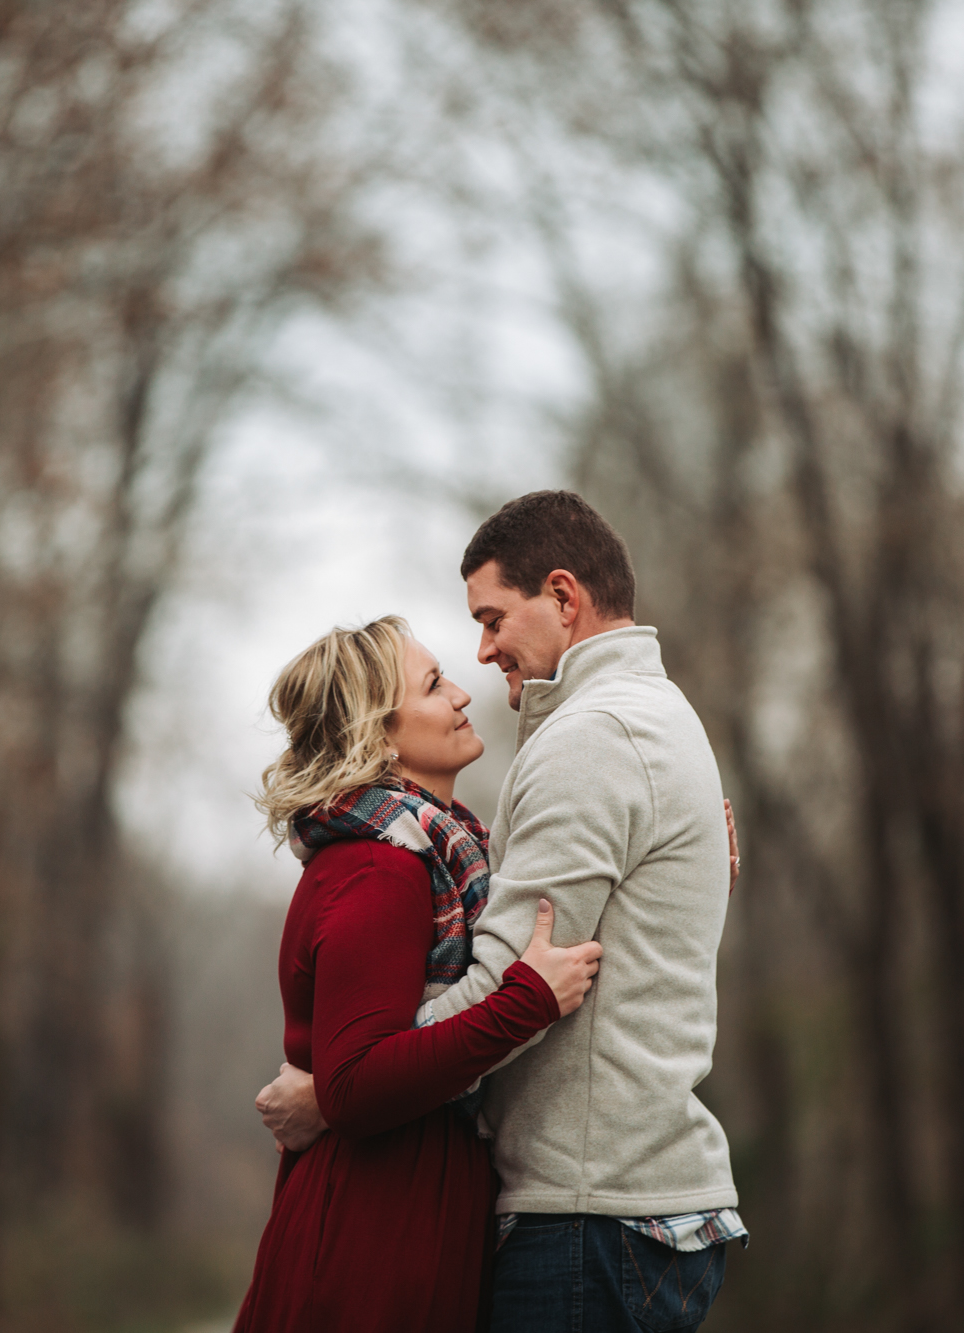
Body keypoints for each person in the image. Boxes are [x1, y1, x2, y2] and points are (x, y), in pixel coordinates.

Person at [257, 491, 745, 1332]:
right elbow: (532, 970)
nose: (480, 658)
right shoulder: (647, 720)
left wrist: (333, 1097)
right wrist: (351, 1085)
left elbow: (505, 974)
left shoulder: (593, 740)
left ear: (562, 598)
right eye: (442, 670)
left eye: (490, 620)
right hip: (591, 1204)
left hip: (592, 1206)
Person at [231, 615, 605, 1333]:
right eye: (434, 684)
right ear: (378, 735)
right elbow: (357, 1084)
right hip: (370, 1244)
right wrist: (524, 1002)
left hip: (405, 1214)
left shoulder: (433, 850)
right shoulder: (379, 868)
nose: (463, 693)